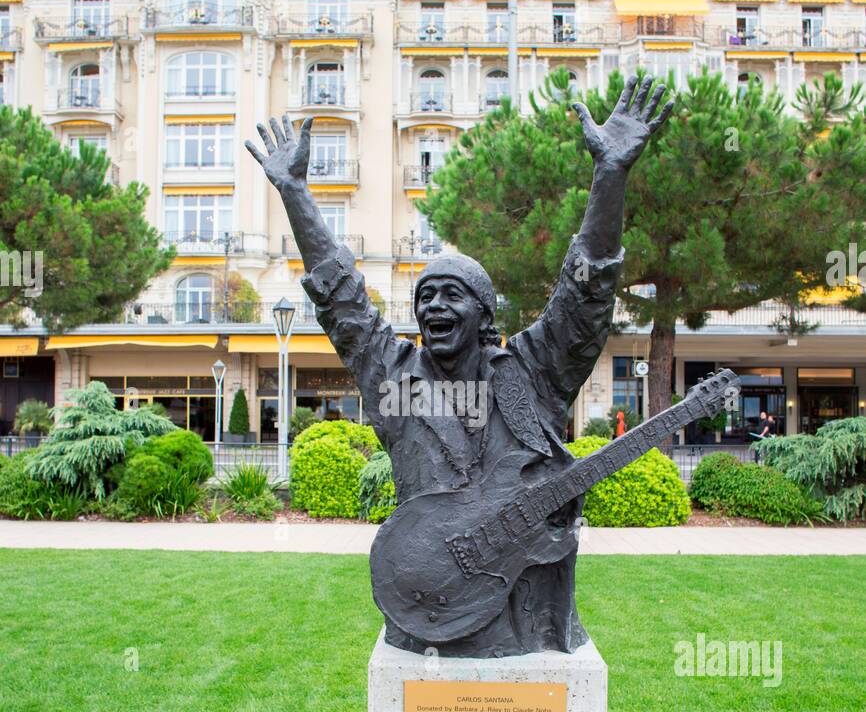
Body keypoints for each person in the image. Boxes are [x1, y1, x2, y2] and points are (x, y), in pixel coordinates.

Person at [245, 75, 673, 657]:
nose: (433, 308)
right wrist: (294, 191)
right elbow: (342, 301)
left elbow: (586, 294)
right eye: (425, 297)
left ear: (483, 312)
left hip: (524, 621)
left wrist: (610, 177)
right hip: (428, 604)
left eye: (452, 295)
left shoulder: (533, 370)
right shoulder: (394, 375)